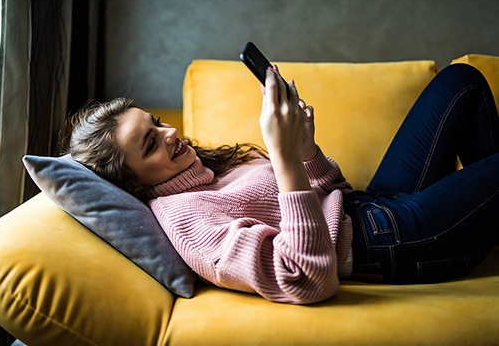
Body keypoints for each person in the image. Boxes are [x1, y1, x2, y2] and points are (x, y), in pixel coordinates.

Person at [67, 63, 499, 304]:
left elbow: (334, 194)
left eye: (156, 123)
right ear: (135, 185)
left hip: (369, 208)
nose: (170, 133)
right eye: (150, 143)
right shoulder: (185, 221)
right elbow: (307, 278)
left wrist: (306, 150)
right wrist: (285, 157)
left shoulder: (206, 172)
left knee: (462, 82)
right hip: (386, 243)